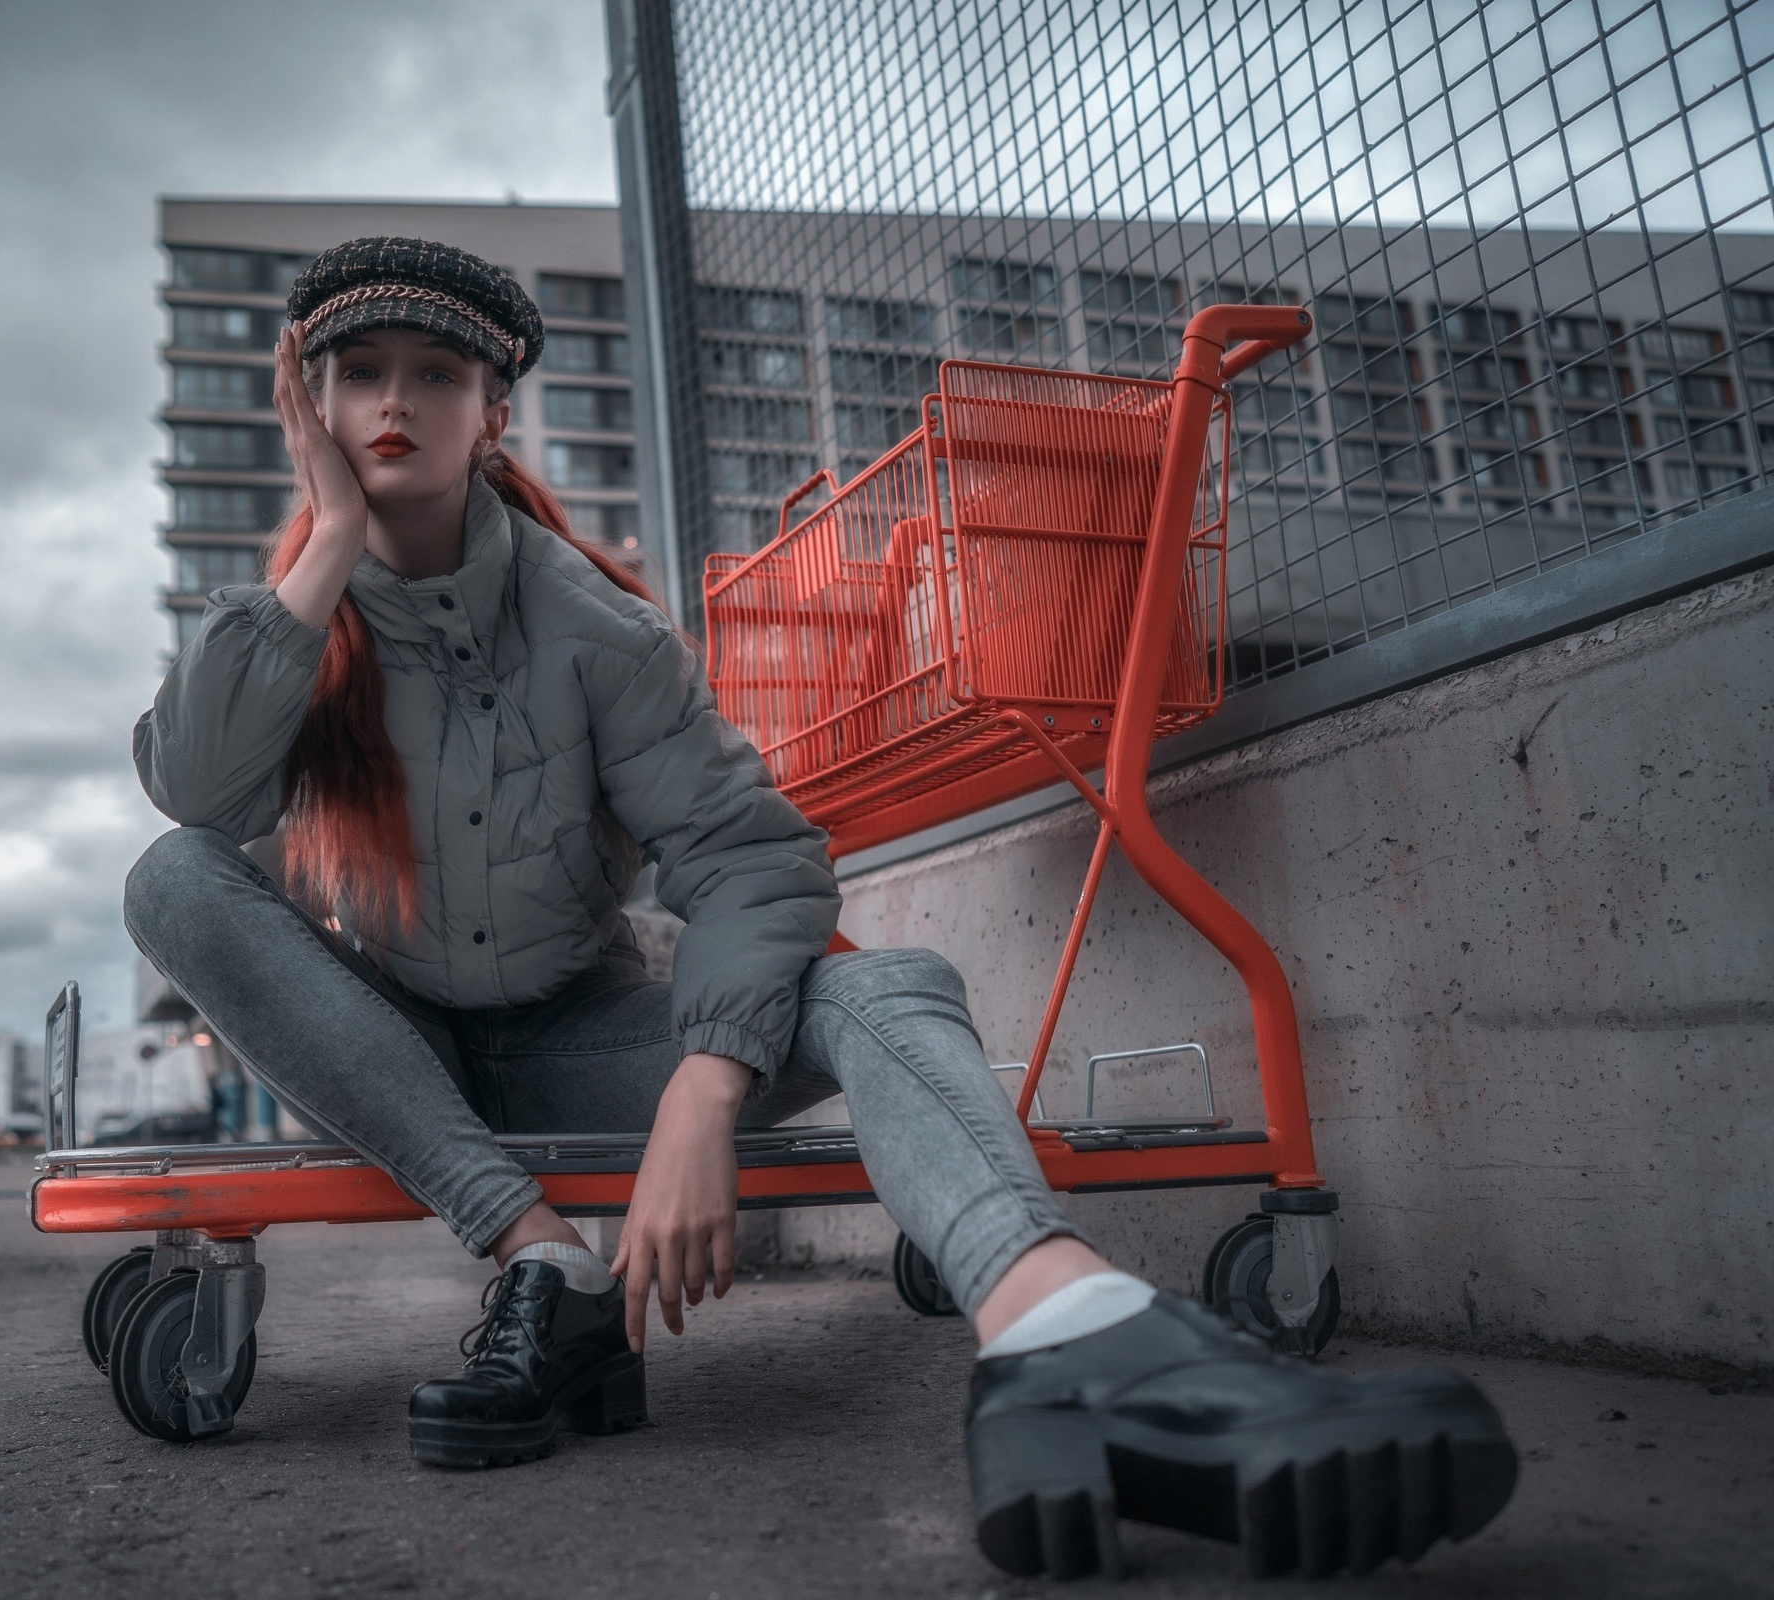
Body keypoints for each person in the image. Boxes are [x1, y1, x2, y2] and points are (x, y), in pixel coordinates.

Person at [124, 237, 1516, 1580]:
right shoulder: (292, 626)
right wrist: (320, 556)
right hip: (387, 1056)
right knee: (171, 877)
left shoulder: (597, 631)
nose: (395, 401)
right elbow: (199, 797)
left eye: (437, 371)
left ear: (493, 413)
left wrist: (704, 1092)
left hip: (580, 1037)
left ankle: (1066, 1338)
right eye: (359, 370)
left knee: (885, 979)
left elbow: (750, 858)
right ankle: (541, 1262)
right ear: (316, 403)